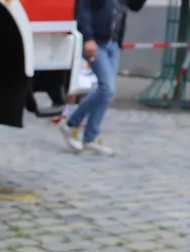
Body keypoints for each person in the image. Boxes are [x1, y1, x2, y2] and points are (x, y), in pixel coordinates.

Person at [59, 0, 146, 155]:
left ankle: (90, 138)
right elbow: (84, 12)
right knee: (107, 89)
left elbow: (135, 6)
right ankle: (71, 123)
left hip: (114, 45)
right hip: (97, 43)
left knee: (106, 92)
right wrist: (89, 38)